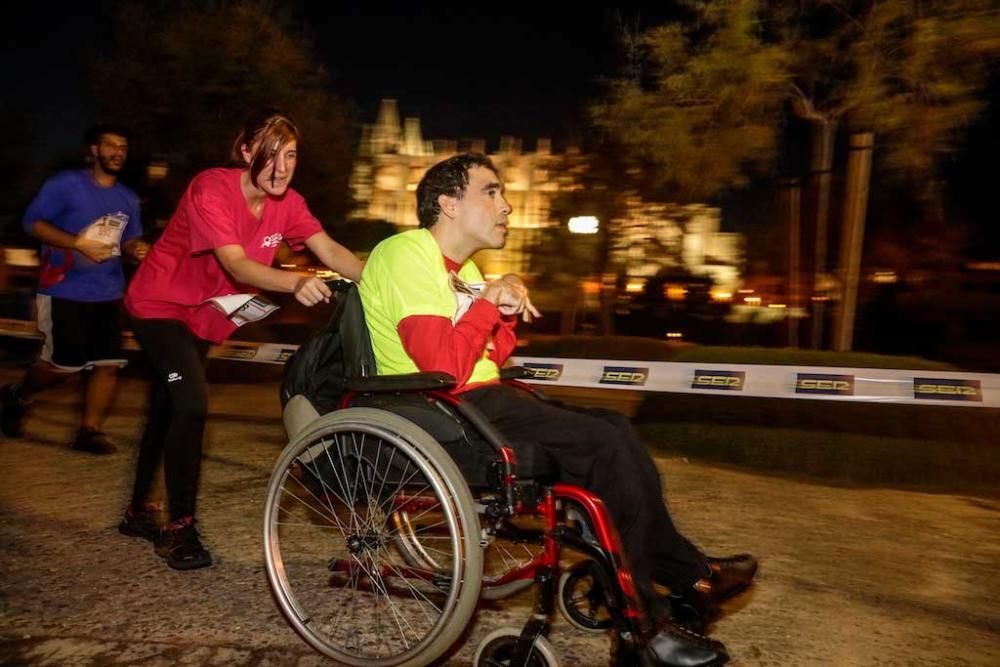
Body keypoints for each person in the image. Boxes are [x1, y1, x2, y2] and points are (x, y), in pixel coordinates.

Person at [359, 153, 757, 666]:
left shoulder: (463, 269)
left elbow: (489, 358)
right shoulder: (406, 252)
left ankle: (690, 578)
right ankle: (646, 627)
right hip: (443, 410)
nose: (506, 205)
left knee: (614, 426)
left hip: (478, 400)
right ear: (448, 202)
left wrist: (500, 308)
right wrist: (487, 304)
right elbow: (444, 366)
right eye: (492, 192)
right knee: (604, 444)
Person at [118, 109, 363, 571]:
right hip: (159, 307)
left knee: (169, 407)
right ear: (247, 152)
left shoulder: (287, 203)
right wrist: (294, 283)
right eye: (270, 155)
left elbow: (330, 249)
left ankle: (136, 512)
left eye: (290, 156)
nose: (281, 167)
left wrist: (387, 284)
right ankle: (179, 528)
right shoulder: (211, 187)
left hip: (206, 319)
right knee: (190, 402)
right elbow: (236, 265)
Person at [0, 125, 149, 453]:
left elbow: (128, 239)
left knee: (109, 363)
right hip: (63, 289)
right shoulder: (65, 185)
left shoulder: (127, 197)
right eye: (111, 145)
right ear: (94, 150)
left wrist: (135, 249)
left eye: (123, 147)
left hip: (109, 292)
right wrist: (78, 244)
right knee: (62, 365)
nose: (118, 152)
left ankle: (89, 430)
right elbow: (33, 223)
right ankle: (16, 394)